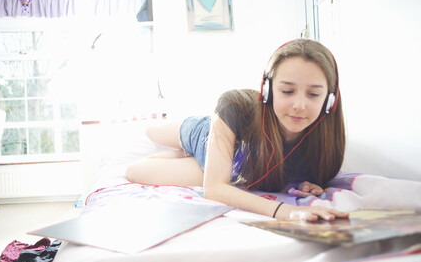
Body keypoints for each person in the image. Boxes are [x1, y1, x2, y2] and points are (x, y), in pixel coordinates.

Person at [126, 39, 349, 221]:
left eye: (313, 94)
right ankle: (183, 147)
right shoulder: (235, 105)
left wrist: (305, 183)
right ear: (268, 91)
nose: (299, 105)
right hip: (204, 132)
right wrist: (286, 211)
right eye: (288, 91)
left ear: (329, 101)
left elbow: (216, 185)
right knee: (151, 134)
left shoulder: (323, 141)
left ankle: (189, 155)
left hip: (228, 166)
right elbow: (215, 190)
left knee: (137, 171)